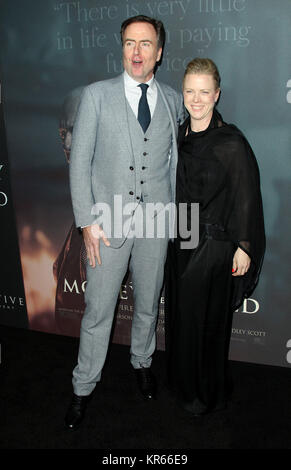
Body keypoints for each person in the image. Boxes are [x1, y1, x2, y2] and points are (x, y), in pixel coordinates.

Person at [65, 15, 185, 430]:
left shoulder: (172, 100)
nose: (136, 52)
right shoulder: (96, 96)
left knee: (149, 305)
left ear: (159, 51)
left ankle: (142, 362)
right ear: (121, 48)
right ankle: (83, 386)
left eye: (146, 44)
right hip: (107, 225)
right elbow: (79, 164)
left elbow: (175, 163)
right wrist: (86, 222)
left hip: (156, 222)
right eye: (130, 43)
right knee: (98, 311)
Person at [165, 58, 265, 416]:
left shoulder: (231, 143)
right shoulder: (177, 136)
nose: (196, 99)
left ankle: (203, 395)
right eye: (190, 91)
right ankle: (183, 384)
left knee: (205, 323)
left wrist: (244, 248)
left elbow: (246, 197)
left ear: (217, 95)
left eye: (204, 92)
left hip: (214, 248)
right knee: (182, 318)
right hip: (180, 242)